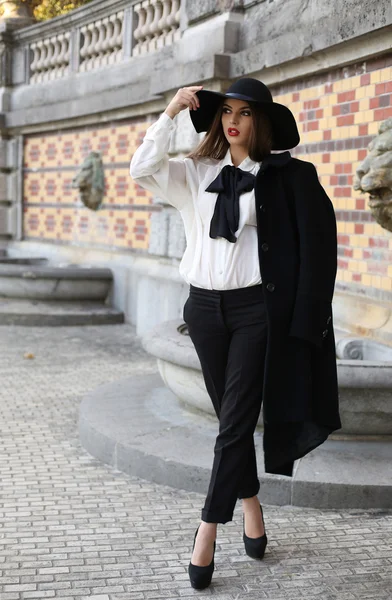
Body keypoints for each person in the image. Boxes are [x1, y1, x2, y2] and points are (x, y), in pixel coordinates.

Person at [129, 78, 341, 590]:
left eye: (245, 113)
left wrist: (307, 321)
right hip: (203, 311)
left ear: (260, 122)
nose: (234, 120)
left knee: (234, 421)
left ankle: (206, 529)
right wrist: (172, 109)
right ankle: (252, 506)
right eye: (226, 111)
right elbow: (141, 168)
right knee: (231, 418)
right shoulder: (194, 173)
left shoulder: (288, 177)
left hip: (255, 313)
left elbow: (319, 249)